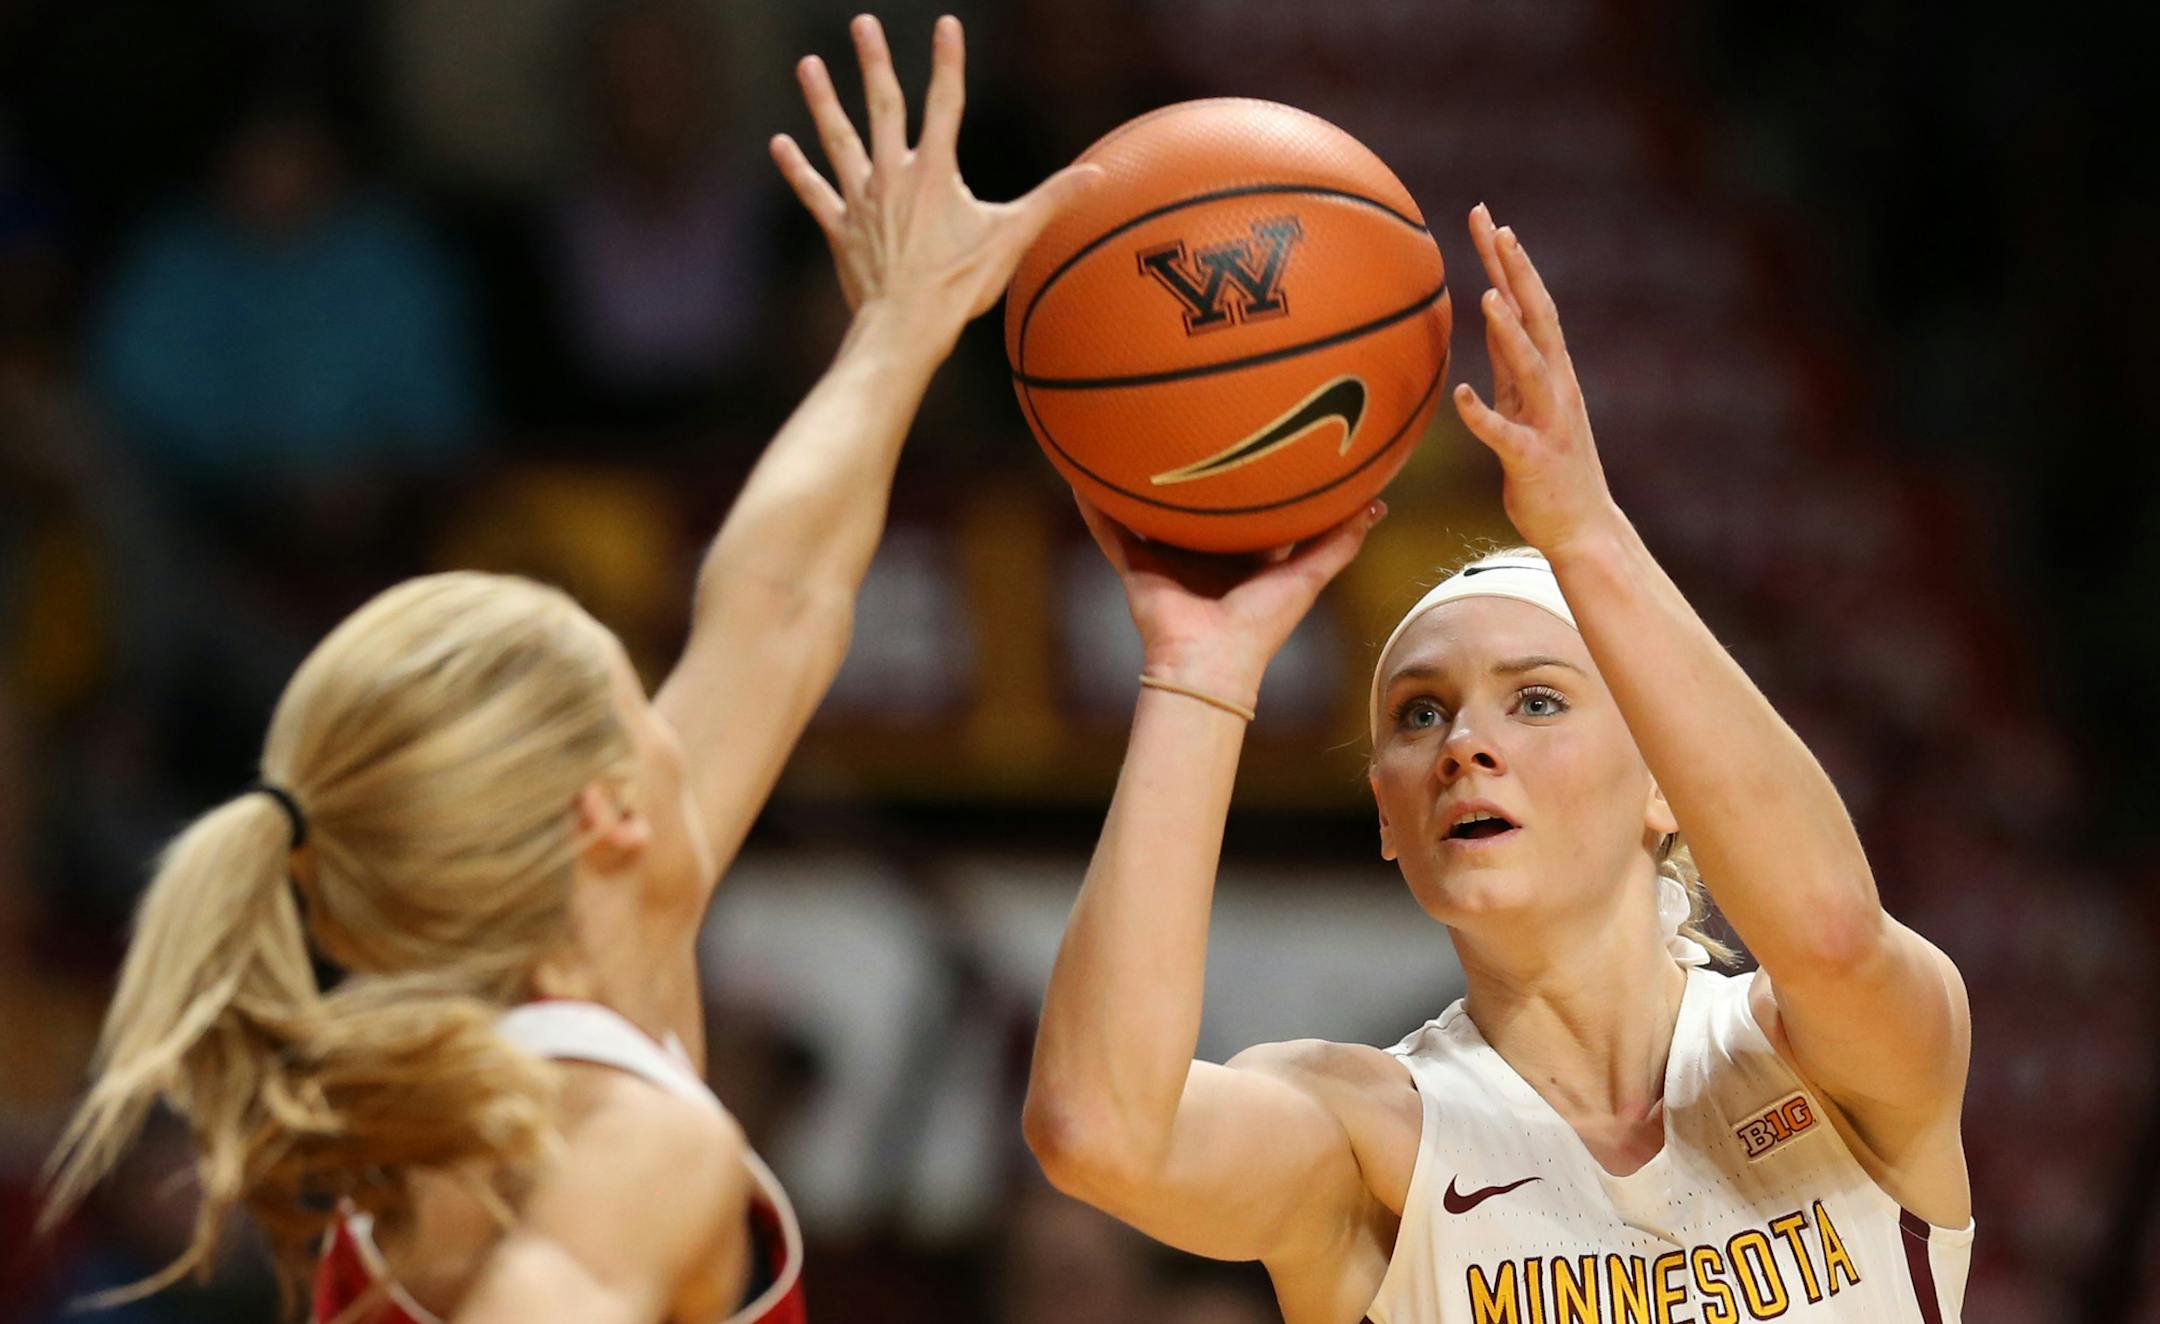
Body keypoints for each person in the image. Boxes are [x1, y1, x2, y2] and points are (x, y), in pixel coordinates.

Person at [41, 16, 1097, 1324]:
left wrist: (900, 325)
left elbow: (772, 602)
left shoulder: (535, 1056)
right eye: (635, 693)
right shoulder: (613, 1145)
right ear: (605, 814)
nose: (679, 706)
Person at [1023, 207, 1973, 1323]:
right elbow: (1098, 1129)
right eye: (1419, 714)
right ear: (1386, 813)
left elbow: (1827, 932)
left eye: (1535, 699)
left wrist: (1589, 532)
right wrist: (1197, 668)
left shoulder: (1833, 1056)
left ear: (1668, 782)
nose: (1466, 745)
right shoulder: (1367, 1133)